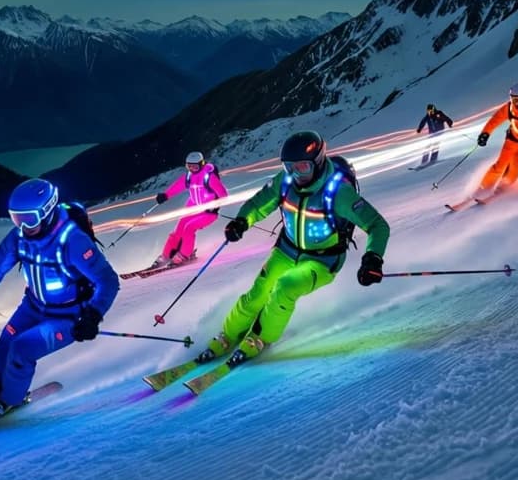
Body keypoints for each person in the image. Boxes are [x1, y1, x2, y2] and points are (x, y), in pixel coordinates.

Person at [194, 130, 390, 369]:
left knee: (285, 287)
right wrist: (242, 221)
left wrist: (373, 258)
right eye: (290, 167)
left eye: (303, 167)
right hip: (286, 250)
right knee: (258, 292)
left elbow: (377, 225)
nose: (296, 174)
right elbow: (259, 203)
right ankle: (228, 335)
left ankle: (260, 338)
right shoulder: (285, 182)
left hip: (322, 261)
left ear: (318, 162)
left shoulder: (338, 192)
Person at [0, 179, 119, 426]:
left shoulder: (71, 240)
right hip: (33, 307)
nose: (23, 226)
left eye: (29, 219)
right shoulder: (19, 237)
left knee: (22, 350)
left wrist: (92, 315)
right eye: (17, 219)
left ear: (47, 212)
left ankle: (7, 401)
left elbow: (108, 281)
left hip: (68, 316)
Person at [149, 151, 228, 268]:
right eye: (189, 166)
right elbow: (177, 186)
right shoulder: (189, 176)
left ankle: (185, 255)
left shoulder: (209, 177)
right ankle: (166, 255)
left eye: (195, 166)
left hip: (208, 212)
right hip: (194, 207)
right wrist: (165, 195)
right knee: (179, 229)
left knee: (189, 228)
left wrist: (214, 206)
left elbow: (223, 195)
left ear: (201, 164)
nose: (192, 169)